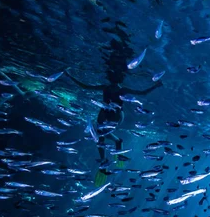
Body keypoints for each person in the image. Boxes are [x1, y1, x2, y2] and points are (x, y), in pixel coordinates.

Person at [67, 24, 162, 186]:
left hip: (108, 114)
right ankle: (116, 146)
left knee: (100, 134)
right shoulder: (122, 89)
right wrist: (156, 85)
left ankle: (106, 158)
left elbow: (85, 86)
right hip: (116, 115)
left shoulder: (108, 88)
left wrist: (69, 76)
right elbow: (142, 93)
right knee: (101, 133)